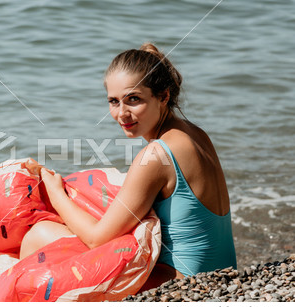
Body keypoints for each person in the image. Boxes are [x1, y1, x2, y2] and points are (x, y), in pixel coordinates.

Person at [19, 43, 236, 289]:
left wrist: (55, 193)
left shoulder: (155, 156)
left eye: (133, 100)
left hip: (186, 285)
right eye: (114, 101)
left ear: (163, 96)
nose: (122, 113)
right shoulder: (195, 133)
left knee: (39, 235)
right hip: (223, 276)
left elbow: (95, 240)